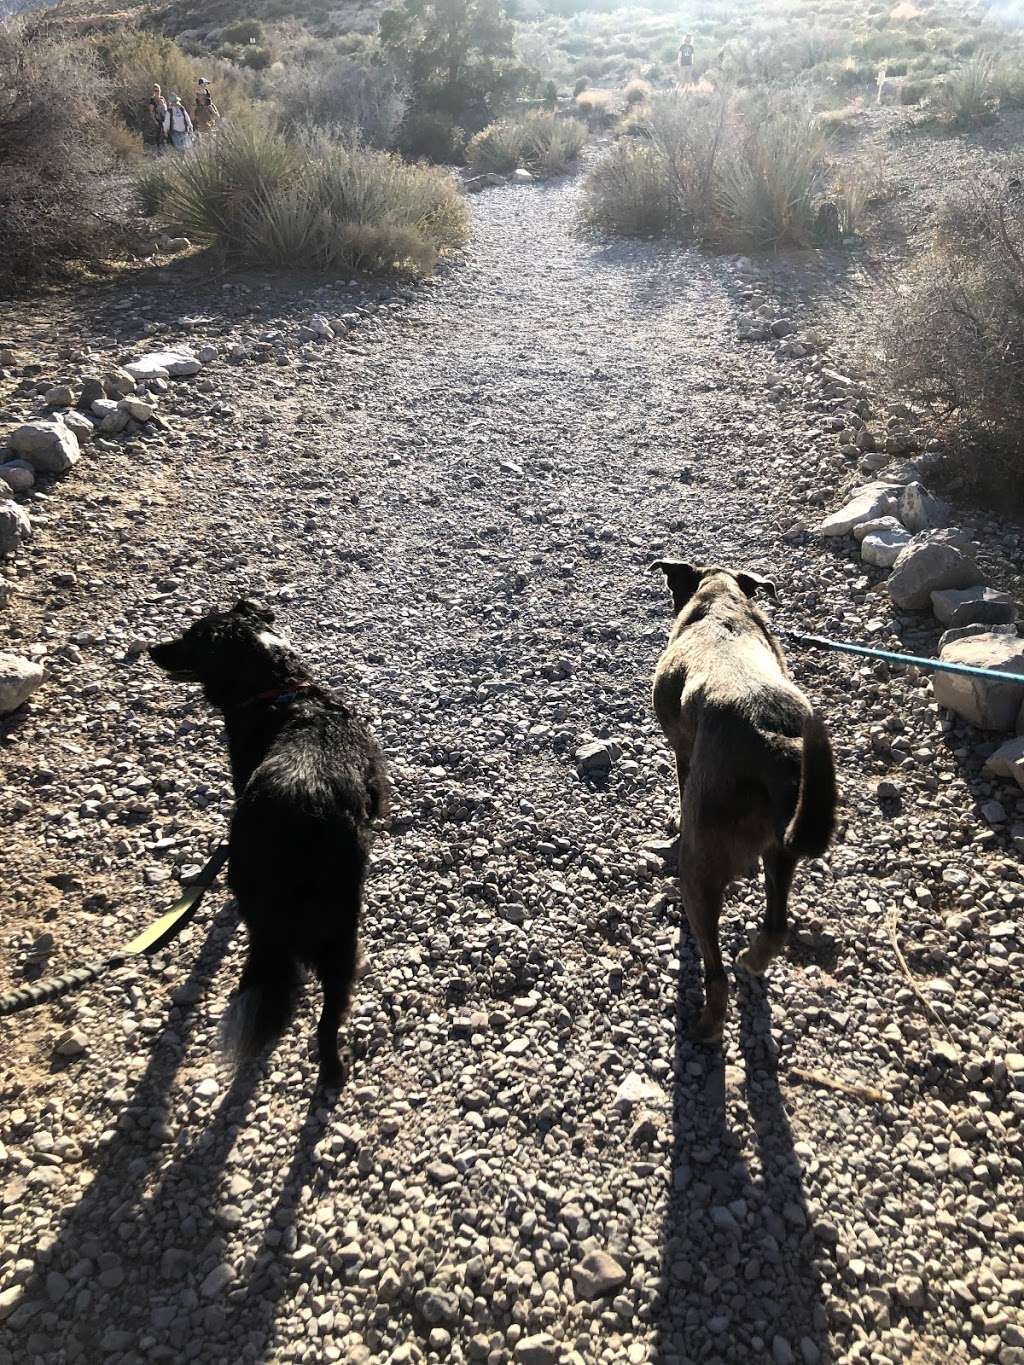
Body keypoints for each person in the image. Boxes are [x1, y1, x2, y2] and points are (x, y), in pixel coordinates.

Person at [148, 83, 168, 155]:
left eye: (158, 90)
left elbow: (166, 109)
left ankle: (164, 149)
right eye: (155, 90)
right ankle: (158, 150)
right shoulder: (152, 100)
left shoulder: (162, 98)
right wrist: (154, 120)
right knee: (158, 134)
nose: (157, 92)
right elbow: (151, 111)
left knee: (165, 134)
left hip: (164, 118)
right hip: (157, 119)